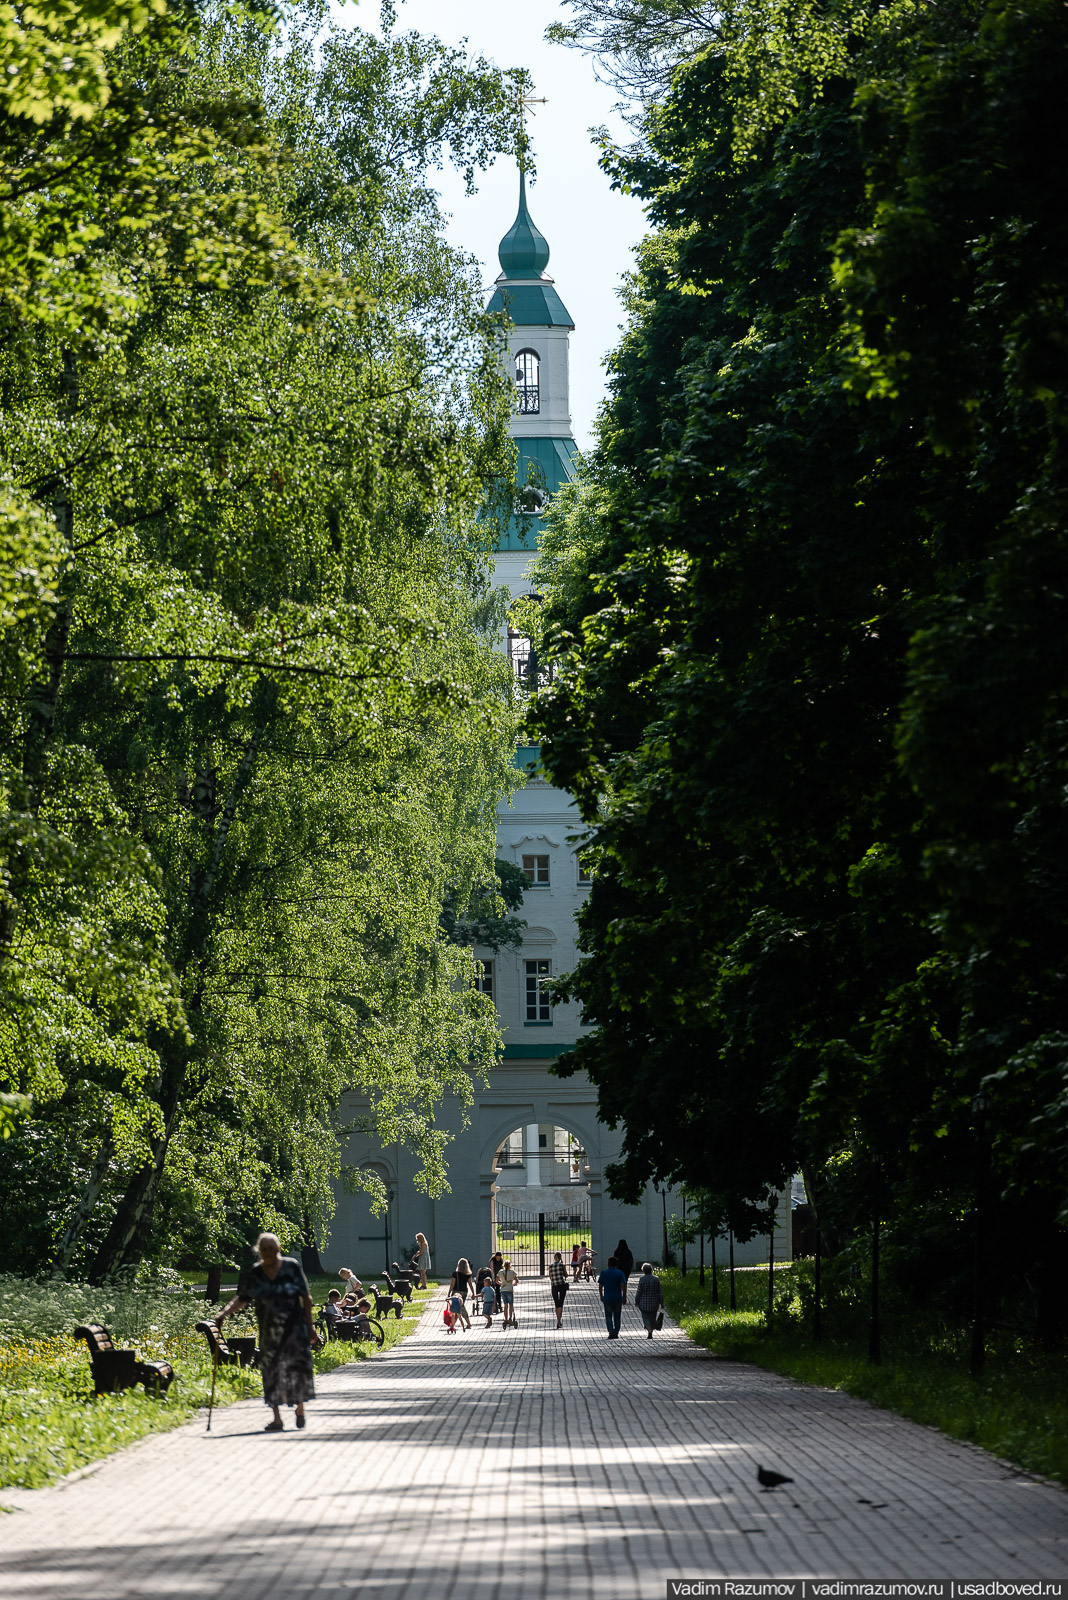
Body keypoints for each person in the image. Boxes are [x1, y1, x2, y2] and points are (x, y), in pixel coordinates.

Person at [217, 1232, 320, 1431]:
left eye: (271, 1249)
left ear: (278, 1249)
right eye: (264, 1249)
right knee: (271, 1371)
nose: (268, 1252)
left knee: (297, 1368)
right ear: (259, 1251)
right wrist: (224, 1313)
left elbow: (306, 1298)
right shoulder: (256, 1272)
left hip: (294, 1329)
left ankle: (300, 1408)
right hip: (269, 1332)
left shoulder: (291, 1267)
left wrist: (310, 1326)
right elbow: (243, 1298)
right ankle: (277, 1419)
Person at [597, 1254, 627, 1339]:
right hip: (617, 1297)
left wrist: (601, 1295)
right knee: (617, 1316)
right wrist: (624, 1296)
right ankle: (616, 1332)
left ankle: (611, 1331)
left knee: (608, 1316)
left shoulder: (604, 1273)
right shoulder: (620, 1273)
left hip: (607, 1298)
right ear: (616, 1264)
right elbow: (623, 1285)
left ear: (608, 1264)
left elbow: (600, 1285)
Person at [633, 1262, 664, 1338]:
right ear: (651, 1270)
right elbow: (659, 1291)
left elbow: (639, 1291)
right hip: (654, 1303)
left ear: (643, 1271)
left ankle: (648, 1328)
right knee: (653, 1317)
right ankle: (651, 1331)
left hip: (644, 1303)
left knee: (645, 1317)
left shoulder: (642, 1279)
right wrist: (661, 1302)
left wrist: (637, 1301)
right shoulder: (656, 1279)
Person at [548, 1250, 569, 1328]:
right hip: (561, 1285)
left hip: (554, 1286)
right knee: (561, 1303)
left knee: (556, 1304)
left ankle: (558, 1320)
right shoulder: (562, 1265)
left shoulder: (550, 1266)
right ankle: (559, 1321)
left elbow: (550, 1277)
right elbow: (566, 1275)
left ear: (554, 1257)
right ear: (560, 1258)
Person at [498, 1258, 519, 1327]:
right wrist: (513, 1284)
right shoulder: (512, 1272)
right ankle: (510, 1318)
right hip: (509, 1290)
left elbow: (496, 1281)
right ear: (510, 1265)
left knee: (505, 1305)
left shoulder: (500, 1272)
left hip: (503, 1290)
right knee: (511, 1305)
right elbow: (516, 1280)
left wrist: (502, 1284)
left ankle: (506, 1319)